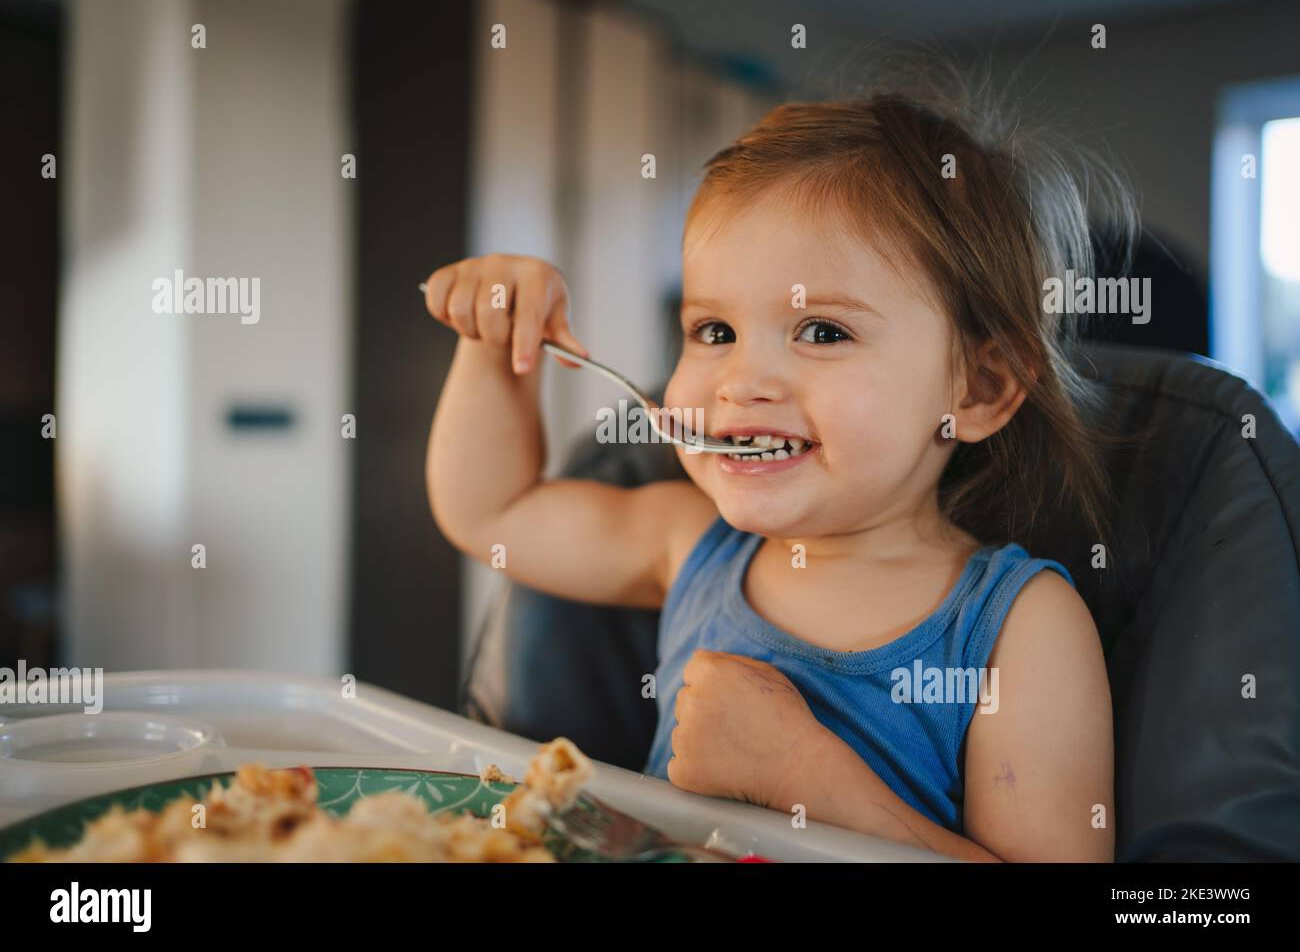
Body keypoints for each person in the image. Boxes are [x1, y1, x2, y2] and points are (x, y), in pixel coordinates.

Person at [423, 72, 1125, 862]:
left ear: (980, 388)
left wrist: (809, 782)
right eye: (713, 331)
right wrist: (493, 348)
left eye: (822, 332)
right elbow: (494, 512)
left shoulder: (1015, 628)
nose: (740, 382)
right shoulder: (688, 544)